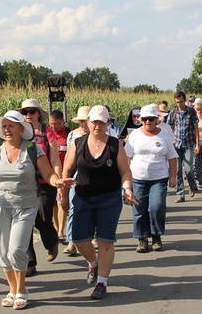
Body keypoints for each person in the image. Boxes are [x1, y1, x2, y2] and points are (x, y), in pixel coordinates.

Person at [0, 111, 72, 310]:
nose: (7, 130)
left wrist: (58, 182)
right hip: (1, 206)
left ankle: (21, 290)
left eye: (11, 126)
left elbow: (48, 173)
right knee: (3, 252)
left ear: (22, 128)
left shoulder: (32, 149)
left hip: (26, 206)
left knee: (16, 249)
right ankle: (11, 290)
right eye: (4, 126)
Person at [61, 105, 137, 300]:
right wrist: (63, 193)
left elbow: (125, 171)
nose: (97, 125)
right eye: (94, 121)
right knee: (78, 240)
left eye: (102, 122)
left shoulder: (114, 145)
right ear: (87, 122)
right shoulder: (77, 144)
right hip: (83, 198)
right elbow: (67, 170)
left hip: (109, 198)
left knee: (105, 241)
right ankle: (93, 264)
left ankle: (102, 282)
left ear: (107, 123)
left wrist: (127, 188)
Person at [124, 105, 177, 253]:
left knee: (156, 207)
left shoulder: (164, 135)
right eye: (145, 119)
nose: (148, 122)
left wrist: (173, 176)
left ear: (156, 120)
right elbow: (126, 157)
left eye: (151, 119)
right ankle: (142, 239)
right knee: (139, 209)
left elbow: (172, 156)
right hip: (138, 178)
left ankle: (156, 236)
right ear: (141, 120)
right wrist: (125, 180)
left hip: (159, 178)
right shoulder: (135, 135)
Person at [18, 98, 62, 273]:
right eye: (25, 112)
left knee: (43, 220)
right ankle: (30, 263)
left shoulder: (47, 132)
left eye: (31, 111)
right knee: (24, 223)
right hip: (25, 183)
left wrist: (57, 180)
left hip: (45, 182)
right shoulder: (19, 131)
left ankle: (52, 242)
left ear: (38, 114)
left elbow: (54, 159)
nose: (28, 115)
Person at [63, 105, 91, 256]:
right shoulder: (73, 135)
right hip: (77, 176)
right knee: (74, 207)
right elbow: (69, 158)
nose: (83, 124)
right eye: (81, 121)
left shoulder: (102, 135)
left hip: (95, 177)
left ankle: (92, 235)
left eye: (86, 121)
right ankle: (71, 241)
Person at [167, 91, 200, 203]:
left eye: (181, 101)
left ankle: (191, 184)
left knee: (188, 168)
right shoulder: (173, 112)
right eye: (177, 102)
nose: (179, 104)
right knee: (177, 170)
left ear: (184, 100)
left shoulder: (191, 112)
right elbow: (168, 127)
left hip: (188, 143)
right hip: (176, 144)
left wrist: (198, 143)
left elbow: (196, 128)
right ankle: (180, 194)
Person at [48, 110, 70, 243]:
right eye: (51, 124)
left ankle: (61, 231)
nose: (53, 127)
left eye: (56, 124)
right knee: (53, 205)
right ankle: (56, 230)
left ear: (63, 122)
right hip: (50, 175)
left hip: (64, 174)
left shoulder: (68, 134)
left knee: (61, 202)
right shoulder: (47, 135)